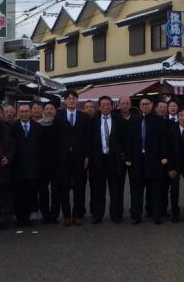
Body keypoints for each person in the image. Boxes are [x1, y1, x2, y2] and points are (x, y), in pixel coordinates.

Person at [125, 97, 170, 224]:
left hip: (154, 160)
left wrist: (164, 156)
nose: (145, 106)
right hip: (137, 160)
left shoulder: (158, 121)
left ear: (152, 106)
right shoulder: (133, 120)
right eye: (142, 104)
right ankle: (136, 216)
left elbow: (163, 140)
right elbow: (129, 141)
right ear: (139, 106)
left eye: (147, 104)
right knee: (137, 190)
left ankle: (157, 215)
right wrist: (128, 158)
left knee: (156, 190)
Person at [54, 91, 91, 226]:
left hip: (79, 156)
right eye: (69, 99)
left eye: (73, 98)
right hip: (63, 157)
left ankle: (77, 215)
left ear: (77, 100)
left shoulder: (83, 116)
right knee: (63, 187)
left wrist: (87, 155)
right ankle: (66, 215)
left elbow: (87, 138)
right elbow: (55, 137)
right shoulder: (59, 116)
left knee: (79, 187)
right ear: (65, 101)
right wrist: (56, 156)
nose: (71, 101)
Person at [89, 96, 127, 224]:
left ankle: (116, 215)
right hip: (98, 159)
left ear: (112, 106)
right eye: (103, 105)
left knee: (115, 189)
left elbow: (123, 140)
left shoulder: (119, 120)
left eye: (108, 104)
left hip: (114, 159)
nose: (105, 107)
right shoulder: (92, 121)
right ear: (99, 107)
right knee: (98, 189)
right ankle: (97, 215)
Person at [13, 103, 43, 227]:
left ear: (30, 113)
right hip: (18, 167)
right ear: (18, 113)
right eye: (22, 111)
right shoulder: (12, 127)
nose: (24, 113)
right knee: (19, 194)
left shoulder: (38, 127)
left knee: (30, 193)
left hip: (33, 167)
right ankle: (20, 218)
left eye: (26, 111)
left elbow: (42, 148)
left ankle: (27, 217)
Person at [166, 108, 184, 222]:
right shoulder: (171, 130)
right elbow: (168, 150)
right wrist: (170, 168)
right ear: (177, 116)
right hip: (174, 165)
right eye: (181, 115)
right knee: (174, 190)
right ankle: (175, 212)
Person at [37, 102, 59, 224]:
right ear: (43, 111)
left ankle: (55, 215)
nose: (49, 111)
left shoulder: (59, 125)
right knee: (43, 191)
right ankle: (45, 215)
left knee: (56, 191)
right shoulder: (37, 126)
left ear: (55, 110)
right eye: (47, 109)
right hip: (42, 163)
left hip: (56, 163)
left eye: (51, 108)